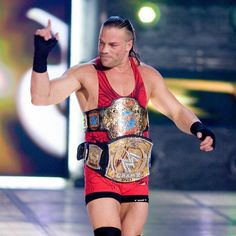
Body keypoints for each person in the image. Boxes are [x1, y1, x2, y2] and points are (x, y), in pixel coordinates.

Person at [31, 16, 215, 236]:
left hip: (136, 176)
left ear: (129, 45)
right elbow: (41, 97)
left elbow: (176, 111)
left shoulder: (147, 75)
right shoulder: (85, 74)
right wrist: (40, 57)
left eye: (112, 45)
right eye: (101, 43)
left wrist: (198, 127)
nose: (104, 50)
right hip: (100, 175)